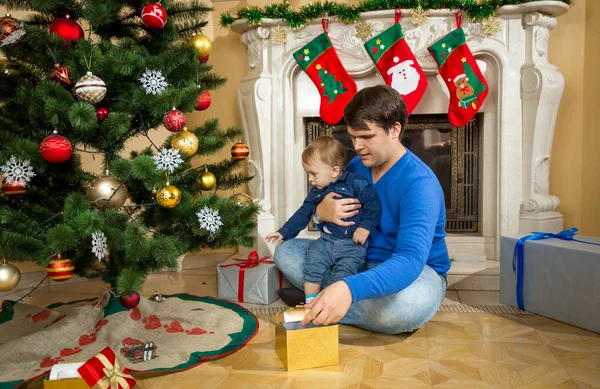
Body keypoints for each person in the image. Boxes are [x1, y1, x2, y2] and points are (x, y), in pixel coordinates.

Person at [274, 85, 450, 334]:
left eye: (366, 137)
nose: (357, 146)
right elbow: (320, 208)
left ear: (394, 130)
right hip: (355, 257)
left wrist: (349, 288)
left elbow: (410, 259)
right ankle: (334, 302)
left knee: (406, 308)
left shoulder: (420, 184)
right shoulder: (357, 166)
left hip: (415, 271)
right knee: (286, 251)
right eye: (352, 136)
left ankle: (320, 301)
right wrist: (319, 214)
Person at [266, 136, 381, 304]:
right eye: (308, 174)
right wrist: (283, 232)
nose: (310, 179)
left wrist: (365, 227)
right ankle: (310, 301)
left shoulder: (356, 182)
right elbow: (303, 213)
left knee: (343, 275)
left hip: (352, 246)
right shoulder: (316, 192)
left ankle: (332, 303)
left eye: (313, 174)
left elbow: (373, 204)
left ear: (334, 171)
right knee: (311, 262)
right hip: (326, 242)